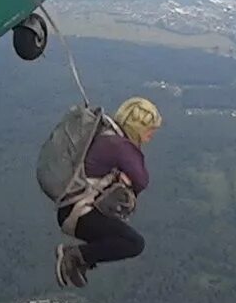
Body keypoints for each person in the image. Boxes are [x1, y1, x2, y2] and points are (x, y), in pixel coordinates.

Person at [55, 97, 162, 287]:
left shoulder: (106, 134)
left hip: (70, 208)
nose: (152, 135)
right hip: (79, 213)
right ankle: (75, 256)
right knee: (133, 243)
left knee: (121, 239)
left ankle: (81, 259)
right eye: (150, 130)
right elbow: (142, 180)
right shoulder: (121, 146)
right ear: (137, 129)